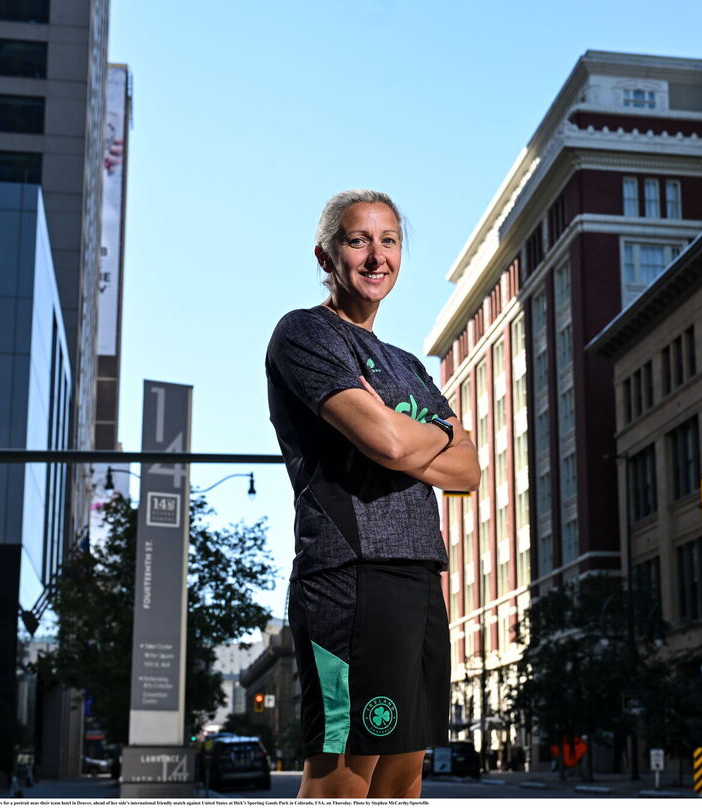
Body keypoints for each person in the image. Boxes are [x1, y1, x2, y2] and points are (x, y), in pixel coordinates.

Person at [265, 190, 479, 799]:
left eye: (389, 241)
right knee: (342, 779)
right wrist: (434, 435)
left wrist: (420, 437)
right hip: (348, 577)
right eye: (359, 240)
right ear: (327, 255)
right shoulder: (306, 333)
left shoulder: (407, 364)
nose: (376, 255)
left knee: (404, 777)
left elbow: (469, 472)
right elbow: (386, 443)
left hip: (417, 576)